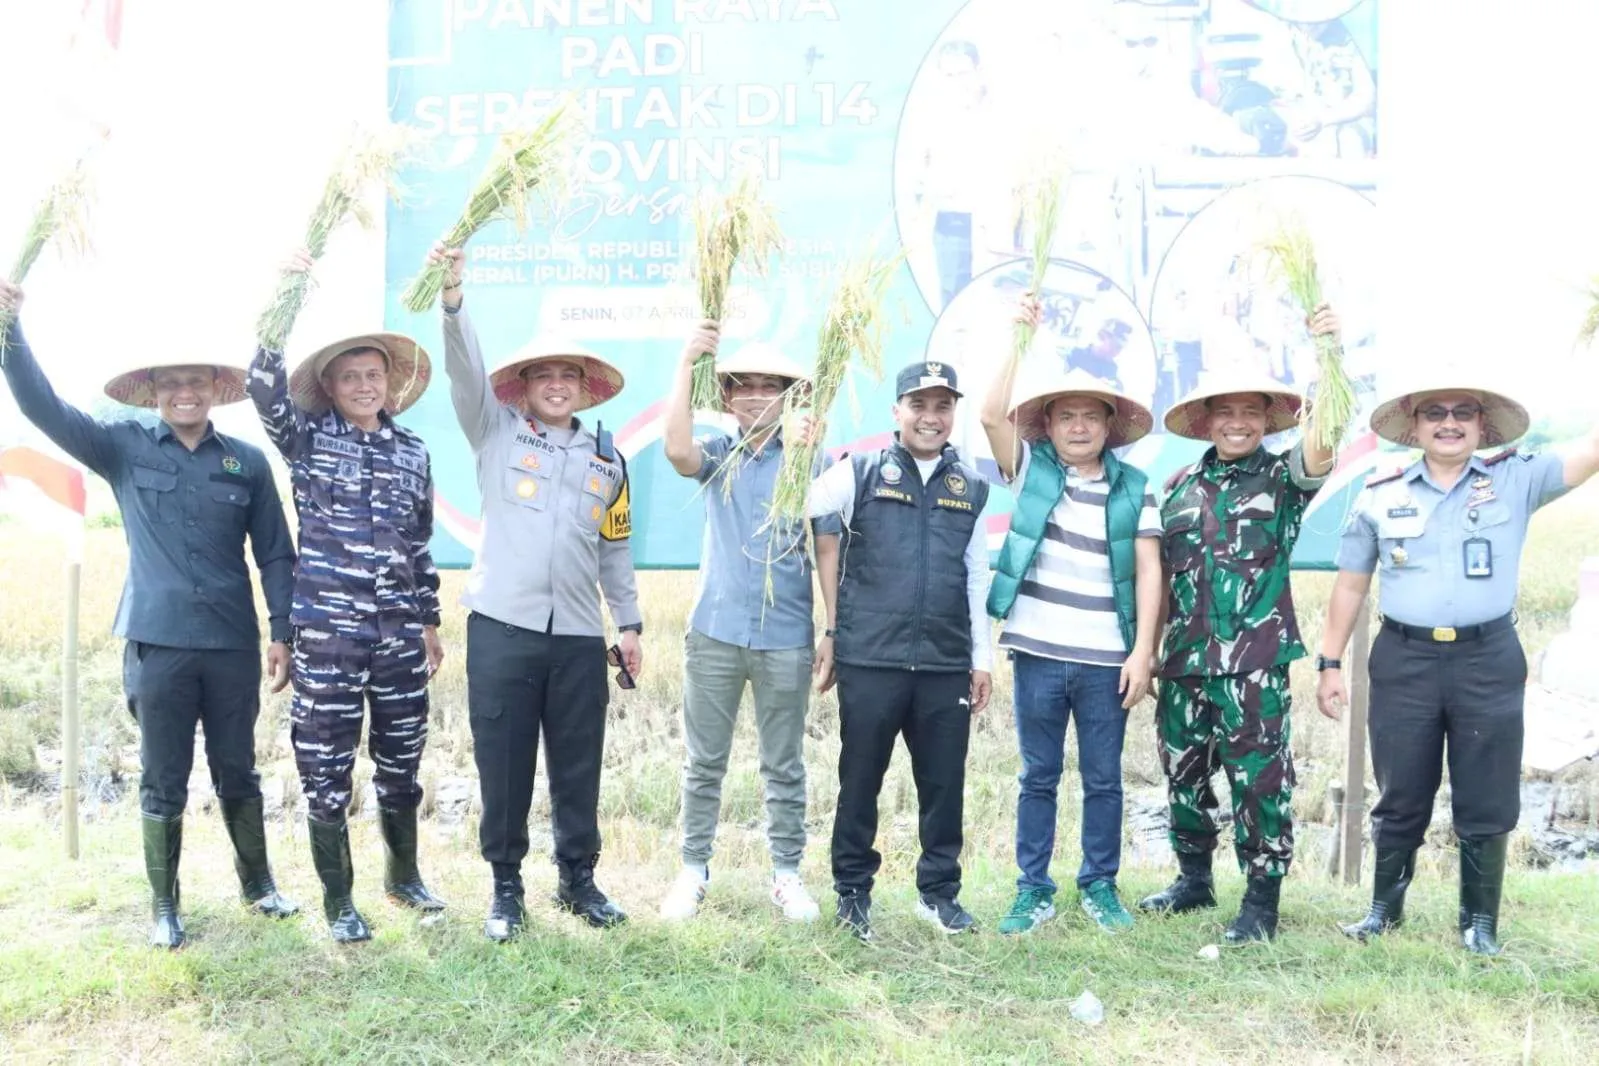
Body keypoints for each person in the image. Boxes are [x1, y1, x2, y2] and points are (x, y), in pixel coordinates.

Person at [1, 280, 298, 949]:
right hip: (157, 644)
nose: (184, 392)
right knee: (163, 775)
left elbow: (277, 555)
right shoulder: (123, 448)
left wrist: (283, 631)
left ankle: (260, 885)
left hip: (230, 644)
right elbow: (42, 407)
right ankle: (164, 906)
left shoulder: (245, 463)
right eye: (171, 383)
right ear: (155, 391)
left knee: (238, 770)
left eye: (195, 381)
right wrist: (10, 331)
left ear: (213, 391)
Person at [1316, 382, 1599, 955]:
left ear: (1481, 426)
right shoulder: (1378, 493)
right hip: (1404, 660)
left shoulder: (1517, 479)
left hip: (1487, 659)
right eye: (1435, 414)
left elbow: (1590, 451)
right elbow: (1350, 585)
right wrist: (1328, 661)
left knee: (1487, 792)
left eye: (1463, 413)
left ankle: (1479, 924)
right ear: (1414, 427)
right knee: (1400, 788)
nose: (1450, 423)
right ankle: (1381, 912)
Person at [429, 245, 642, 940]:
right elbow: (464, 371)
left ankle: (578, 879)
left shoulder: (608, 460)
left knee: (577, 764)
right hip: (501, 628)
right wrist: (453, 298)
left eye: (568, 375)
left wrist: (629, 625)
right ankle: (505, 886)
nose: (556, 384)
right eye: (543, 374)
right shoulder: (494, 432)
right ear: (522, 388)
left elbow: (615, 548)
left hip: (579, 637)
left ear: (585, 388)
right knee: (505, 760)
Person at [246, 280, 445, 943]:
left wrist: (429, 620)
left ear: (390, 384)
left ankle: (403, 876)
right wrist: (289, 294)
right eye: (350, 377)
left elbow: (419, 545)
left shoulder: (413, 451)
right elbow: (262, 385)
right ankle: (338, 899)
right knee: (325, 766)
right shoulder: (305, 440)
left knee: (401, 759)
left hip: (397, 636)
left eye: (373, 375)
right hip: (328, 636)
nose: (363, 385)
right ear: (330, 389)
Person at [1137, 305, 1343, 943]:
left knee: (1260, 781)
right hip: (1184, 662)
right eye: (1224, 412)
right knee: (1184, 772)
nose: (1237, 422)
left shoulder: (1284, 478)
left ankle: (1261, 902)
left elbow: (1325, 439)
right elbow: (1158, 578)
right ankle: (1193, 880)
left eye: (1250, 412)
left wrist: (1329, 354)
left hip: (1254, 662)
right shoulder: (1175, 487)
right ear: (1205, 422)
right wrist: (1147, 652)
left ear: (1265, 420)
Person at [981, 297, 1163, 935]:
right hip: (1037, 650)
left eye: (1092, 417)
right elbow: (986, 415)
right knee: (1038, 775)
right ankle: (1033, 889)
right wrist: (1019, 335)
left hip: (1105, 659)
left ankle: (1100, 884)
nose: (1079, 427)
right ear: (1049, 426)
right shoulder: (1030, 473)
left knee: (1104, 778)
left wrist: (1141, 652)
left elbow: (1148, 570)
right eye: (1067, 417)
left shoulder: (1135, 487)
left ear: (1109, 427)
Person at [808, 360, 993, 940]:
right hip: (870, 659)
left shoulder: (971, 486)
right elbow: (804, 508)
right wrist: (802, 450)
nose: (930, 418)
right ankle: (853, 892)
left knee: (944, 785)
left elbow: (976, 576)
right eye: (919, 406)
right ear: (897, 413)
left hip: (944, 662)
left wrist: (980, 658)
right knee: (859, 779)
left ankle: (938, 894)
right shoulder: (858, 472)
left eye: (942, 407)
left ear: (953, 415)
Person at [658, 325, 837, 922]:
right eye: (746, 388)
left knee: (783, 763)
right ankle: (692, 869)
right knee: (703, 760)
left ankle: (786, 874)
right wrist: (689, 360)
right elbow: (676, 450)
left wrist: (831, 628)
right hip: (715, 630)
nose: (758, 397)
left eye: (771, 387)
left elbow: (829, 545)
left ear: (790, 396)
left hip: (786, 635)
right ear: (728, 398)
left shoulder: (810, 461)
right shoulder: (717, 451)